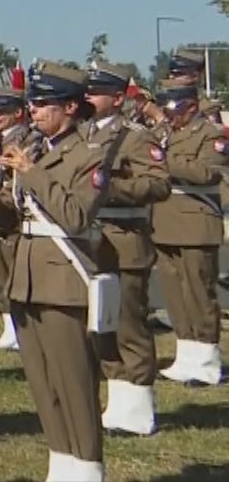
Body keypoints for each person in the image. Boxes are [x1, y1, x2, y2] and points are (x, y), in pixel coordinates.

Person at [0, 62, 109, 482]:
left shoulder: (90, 156)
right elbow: (17, 214)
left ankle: (88, 464)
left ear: (72, 106)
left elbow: (76, 215)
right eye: (33, 103)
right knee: (44, 382)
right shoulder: (39, 150)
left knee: (74, 382)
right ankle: (62, 460)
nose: (34, 111)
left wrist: (31, 173)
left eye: (43, 103)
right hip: (26, 278)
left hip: (64, 280)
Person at [81, 61, 170, 436]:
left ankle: (139, 405)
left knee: (130, 325)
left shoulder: (134, 137)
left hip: (125, 239)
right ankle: (118, 400)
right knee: (102, 325)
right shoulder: (83, 133)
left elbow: (158, 183)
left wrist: (110, 189)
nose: (88, 96)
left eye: (96, 90)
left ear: (118, 98)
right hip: (93, 242)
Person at [149, 85, 226, 386]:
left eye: (175, 110)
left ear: (191, 107)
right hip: (166, 222)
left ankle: (207, 359)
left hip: (196, 223)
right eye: (168, 110)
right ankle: (186, 354)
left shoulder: (211, 134)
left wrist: (163, 160)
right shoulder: (167, 133)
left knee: (198, 292)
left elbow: (207, 173)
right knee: (175, 294)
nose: (170, 116)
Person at [0, 88, 33, 351]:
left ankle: (21, 326)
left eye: (2, 112)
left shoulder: (26, 138)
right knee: (0, 277)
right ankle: (10, 325)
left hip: (10, 215)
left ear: (18, 113)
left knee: (15, 275)